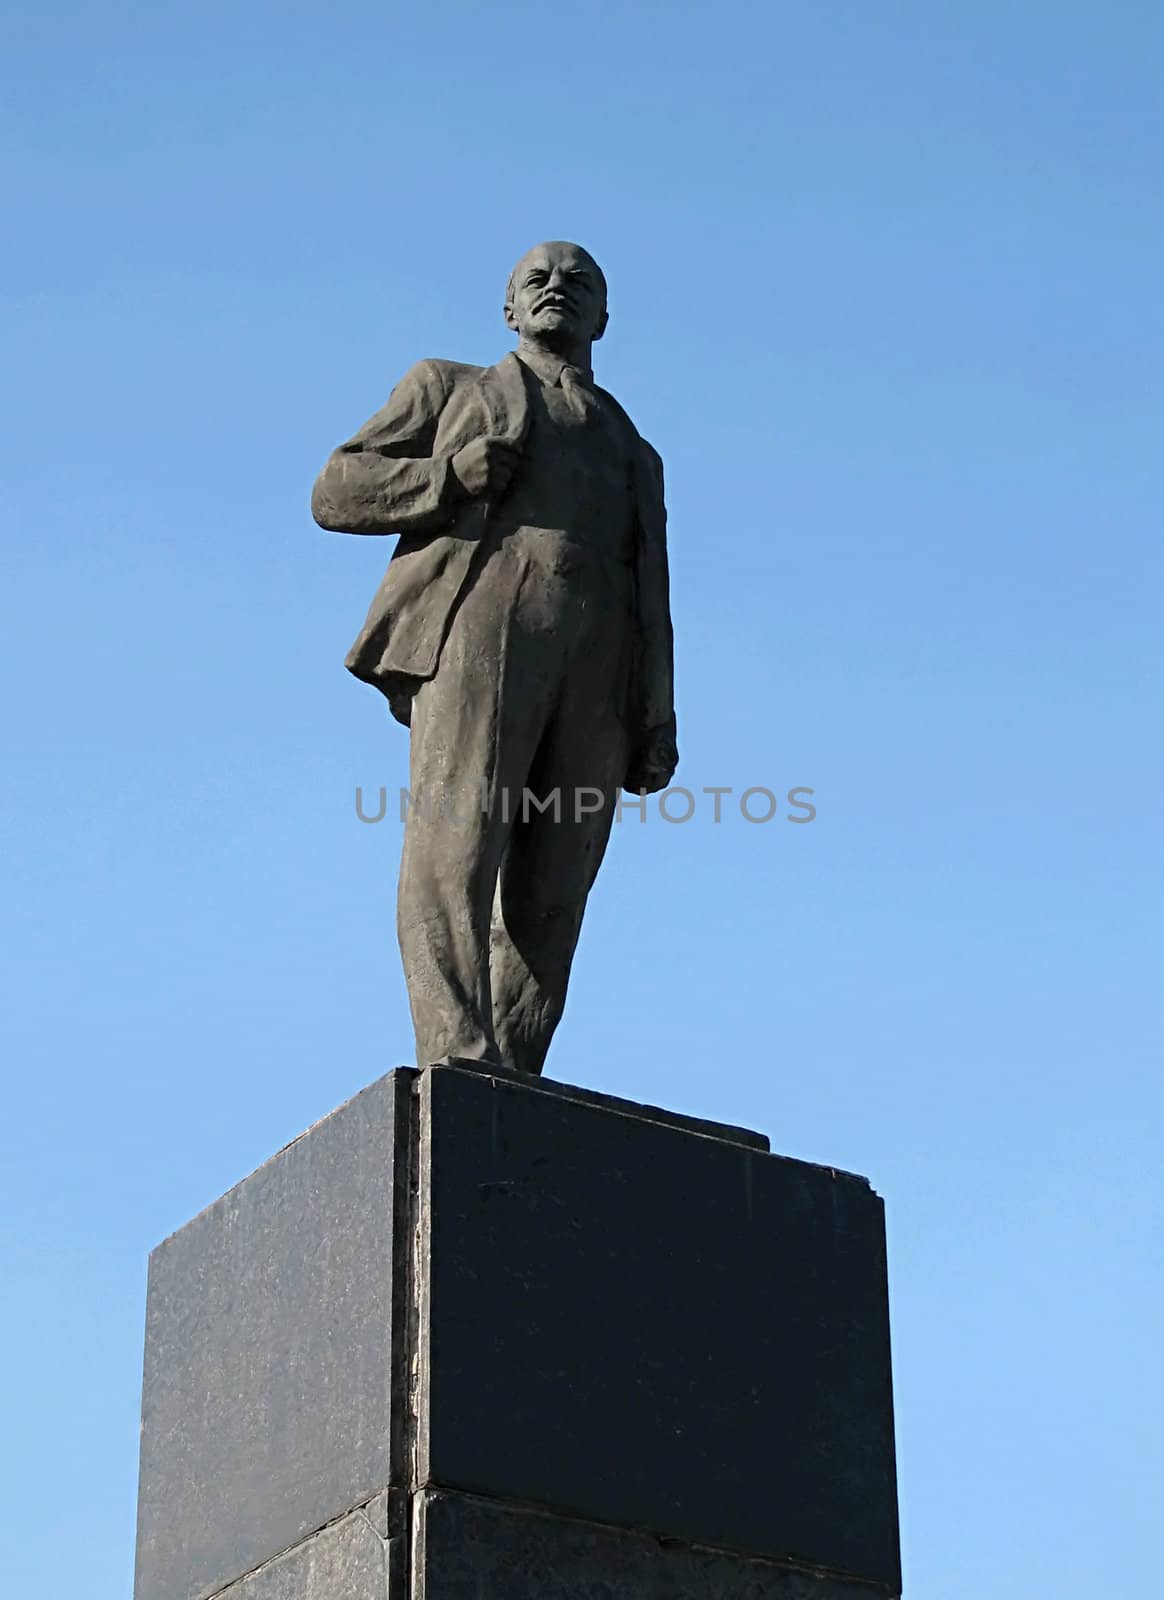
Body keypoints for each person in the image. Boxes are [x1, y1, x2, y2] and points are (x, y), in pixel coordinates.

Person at [312, 241, 677, 1074]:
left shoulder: (635, 450)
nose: (559, 288)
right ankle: (456, 1047)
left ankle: (513, 1067)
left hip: (601, 659)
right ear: (509, 309)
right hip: (481, 627)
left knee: (558, 884)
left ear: (605, 320)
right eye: (538, 279)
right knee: (458, 841)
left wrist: (655, 710)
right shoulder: (448, 388)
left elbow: (651, 586)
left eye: (580, 282)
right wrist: (445, 477)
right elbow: (335, 489)